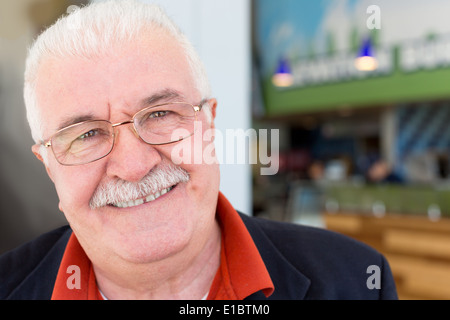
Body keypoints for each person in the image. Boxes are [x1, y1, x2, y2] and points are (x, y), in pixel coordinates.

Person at [0, 0, 397, 300]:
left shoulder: (356, 280)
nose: (135, 165)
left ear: (209, 123)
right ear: (50, 166)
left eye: (159, 113)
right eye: (86, 134)